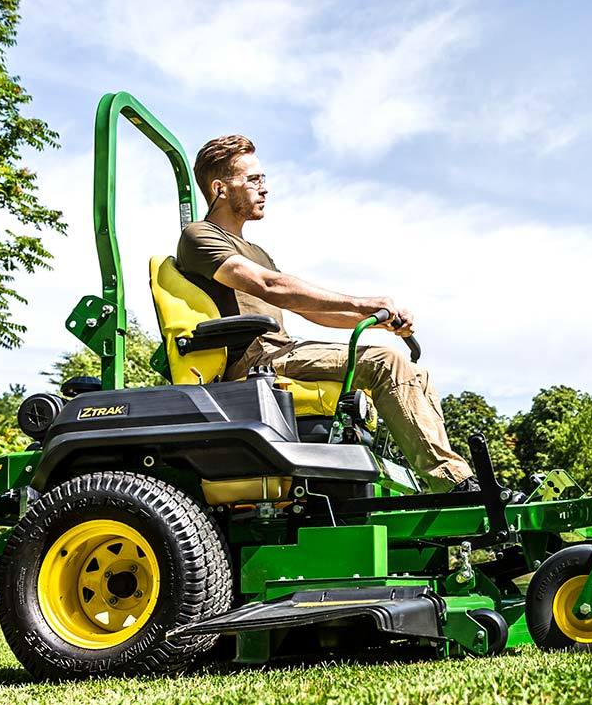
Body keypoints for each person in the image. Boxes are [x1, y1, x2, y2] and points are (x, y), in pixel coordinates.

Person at [175, 135, 478, 493]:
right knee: (385, 363)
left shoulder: (257, 250)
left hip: (284, 351)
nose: (264, 188)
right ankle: (455, 484)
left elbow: (308, 309)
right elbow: (269, 286)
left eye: (263, 179)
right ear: (219, 187)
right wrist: (361, 304)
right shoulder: (199, 236)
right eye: (253, 180)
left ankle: (458, 482)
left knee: (416, 373)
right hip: (257, 362)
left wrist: (379, 320)